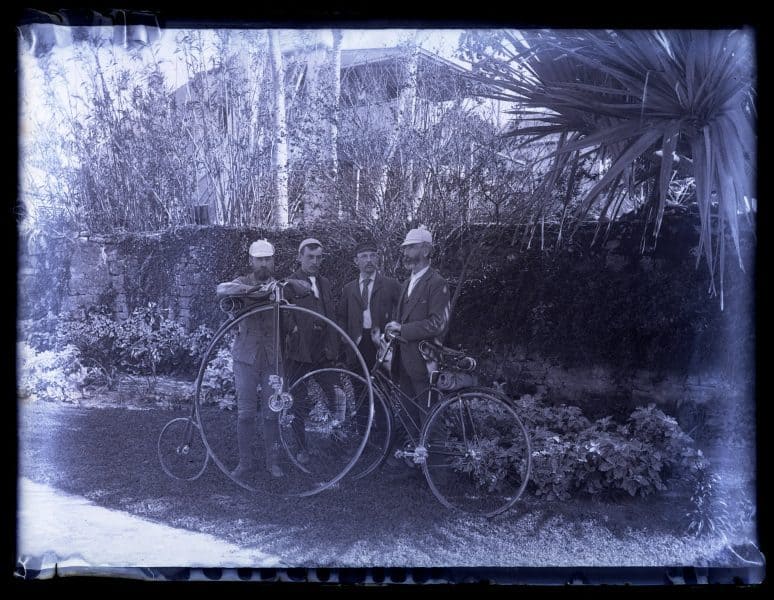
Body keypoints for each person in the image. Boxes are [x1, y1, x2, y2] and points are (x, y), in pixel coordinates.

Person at [216, 239, 284, 480]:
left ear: (273, 261)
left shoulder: (280, 285)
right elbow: (221, 289)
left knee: (271, 412)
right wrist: (252, 291)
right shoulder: (241, 283)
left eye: (268, 259)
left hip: (272, 359)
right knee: (245, 413)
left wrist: (277, 289)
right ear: (251, 261)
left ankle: (272, 463)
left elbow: (303, 287)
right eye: (259, 259)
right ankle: (245, 463)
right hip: (245, 358)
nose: (264, 264)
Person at [385, 225, 451, 432]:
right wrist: (393, 330)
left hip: (425, 362)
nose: (405, 253)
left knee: (429, 415)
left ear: (425, 250)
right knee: (408, 412)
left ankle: (433, 462)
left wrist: (402, 329)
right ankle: (414, 455)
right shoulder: (406, 282)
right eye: (405, 249)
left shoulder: (437, 282)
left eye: (411, 248)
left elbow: (438, 323)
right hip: (403, 360)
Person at [337, 240, 401, 371]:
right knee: (359, 384)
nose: (369, 260)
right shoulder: (349, 289)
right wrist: (345, 339)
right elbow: (342, 317)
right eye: (364, 256)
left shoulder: (390, 285)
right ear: (356, 261)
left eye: (373, 255)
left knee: (383, 386)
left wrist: (395, 332)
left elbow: (404, 310)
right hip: (356, 344)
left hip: (382, 343)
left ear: (378, 258)